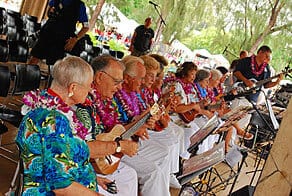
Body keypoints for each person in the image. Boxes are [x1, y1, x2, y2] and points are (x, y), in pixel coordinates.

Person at [15, 56, 102, 195]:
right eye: (89, 85)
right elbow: (61, 185)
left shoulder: (48, 106)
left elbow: (60, 160)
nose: (91, 90)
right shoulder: (54, 121)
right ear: (73, 87)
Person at [76, 54, 139, 196]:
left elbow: (115, 132)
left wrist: (139, 126)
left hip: (102, 159)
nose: (119, 87)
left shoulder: (108, 101)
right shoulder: (81, 102)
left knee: (130, 175)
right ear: (99, 77)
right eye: (116, 81)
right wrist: (120, 146)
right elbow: (82, 149)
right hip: (85, 164)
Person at [115, 55, 172, 196]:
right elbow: (116, 129)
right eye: (144, 77)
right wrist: (140, 124)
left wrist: (152, 120)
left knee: (165, 150)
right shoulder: (116, 94)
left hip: (133, 139)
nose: (150, 80)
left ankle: (159, 186)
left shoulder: (136, 93)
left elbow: (146, 116)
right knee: (153, 171)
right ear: (128, 78)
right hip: (119, 147)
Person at [28, 0, 89, 65]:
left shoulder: (80, 5)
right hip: (47, 34)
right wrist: (51, 12)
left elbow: (86, 27)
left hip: (61, 40)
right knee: (33, 60)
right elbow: (48, 13)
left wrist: (75, 39)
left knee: (54, 66)